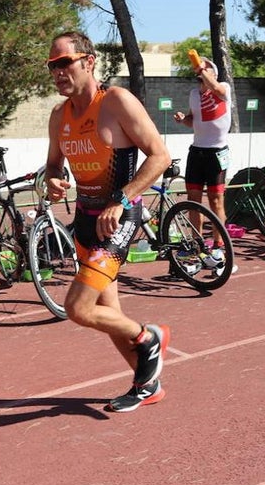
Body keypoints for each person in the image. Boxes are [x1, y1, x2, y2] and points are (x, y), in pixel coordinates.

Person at [42, 31, 174, 413]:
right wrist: (52, 181)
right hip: (84, 220)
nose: (58, 72)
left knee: (79, 309)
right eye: (52, 66)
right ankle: (147, 384)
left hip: (117, 220)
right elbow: (53, 165)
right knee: (108, 312)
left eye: (64, 62)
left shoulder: (115, 101)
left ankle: (148, 338)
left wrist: (122, 199)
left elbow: (160, 156)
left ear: (89, 61)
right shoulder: (58, 116)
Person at [173, 53, 234, 271]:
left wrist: (202, 68)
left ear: (212, 73)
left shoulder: (223, 88)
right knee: (194, 200)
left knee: (216, 200)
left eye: (204, 70)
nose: (199, 74)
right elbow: (193, 119)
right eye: (198, 72)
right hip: (197, 152)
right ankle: (197, 244)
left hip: (217, 152)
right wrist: (184, 119)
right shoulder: (193, 94)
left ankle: (219, 245)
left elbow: (216, 90)